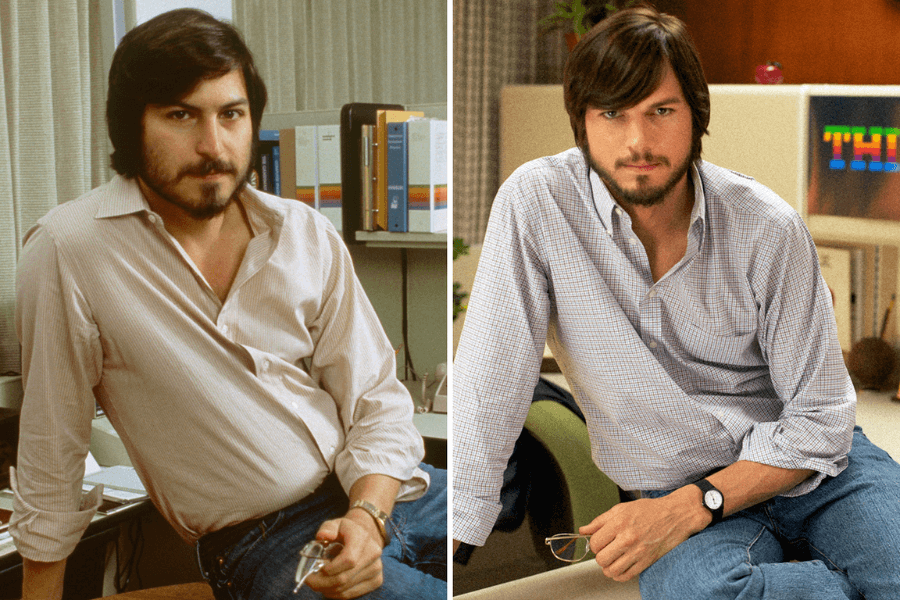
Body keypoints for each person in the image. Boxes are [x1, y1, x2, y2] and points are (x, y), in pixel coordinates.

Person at [452, 6, 900, 599]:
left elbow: (819, 421)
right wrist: (451, 544)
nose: (638, 142)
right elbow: (491, 375)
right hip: (670, 482)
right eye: (612, 114)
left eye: (661, 111)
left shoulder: (768, 227)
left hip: (816, 471)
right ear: (582, 123)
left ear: (696, 115)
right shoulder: (537, 205)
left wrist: (699, 504)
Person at [12, 9, 446, 600]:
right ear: (129, 126)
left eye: (231, 115)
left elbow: (375, 398)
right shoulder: (71, 250)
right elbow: (52, 448)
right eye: (180, 115)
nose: (212, 145)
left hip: (384, 491)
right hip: (263, 540)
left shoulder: (302, 231)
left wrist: (367, 516)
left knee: (532, 529)